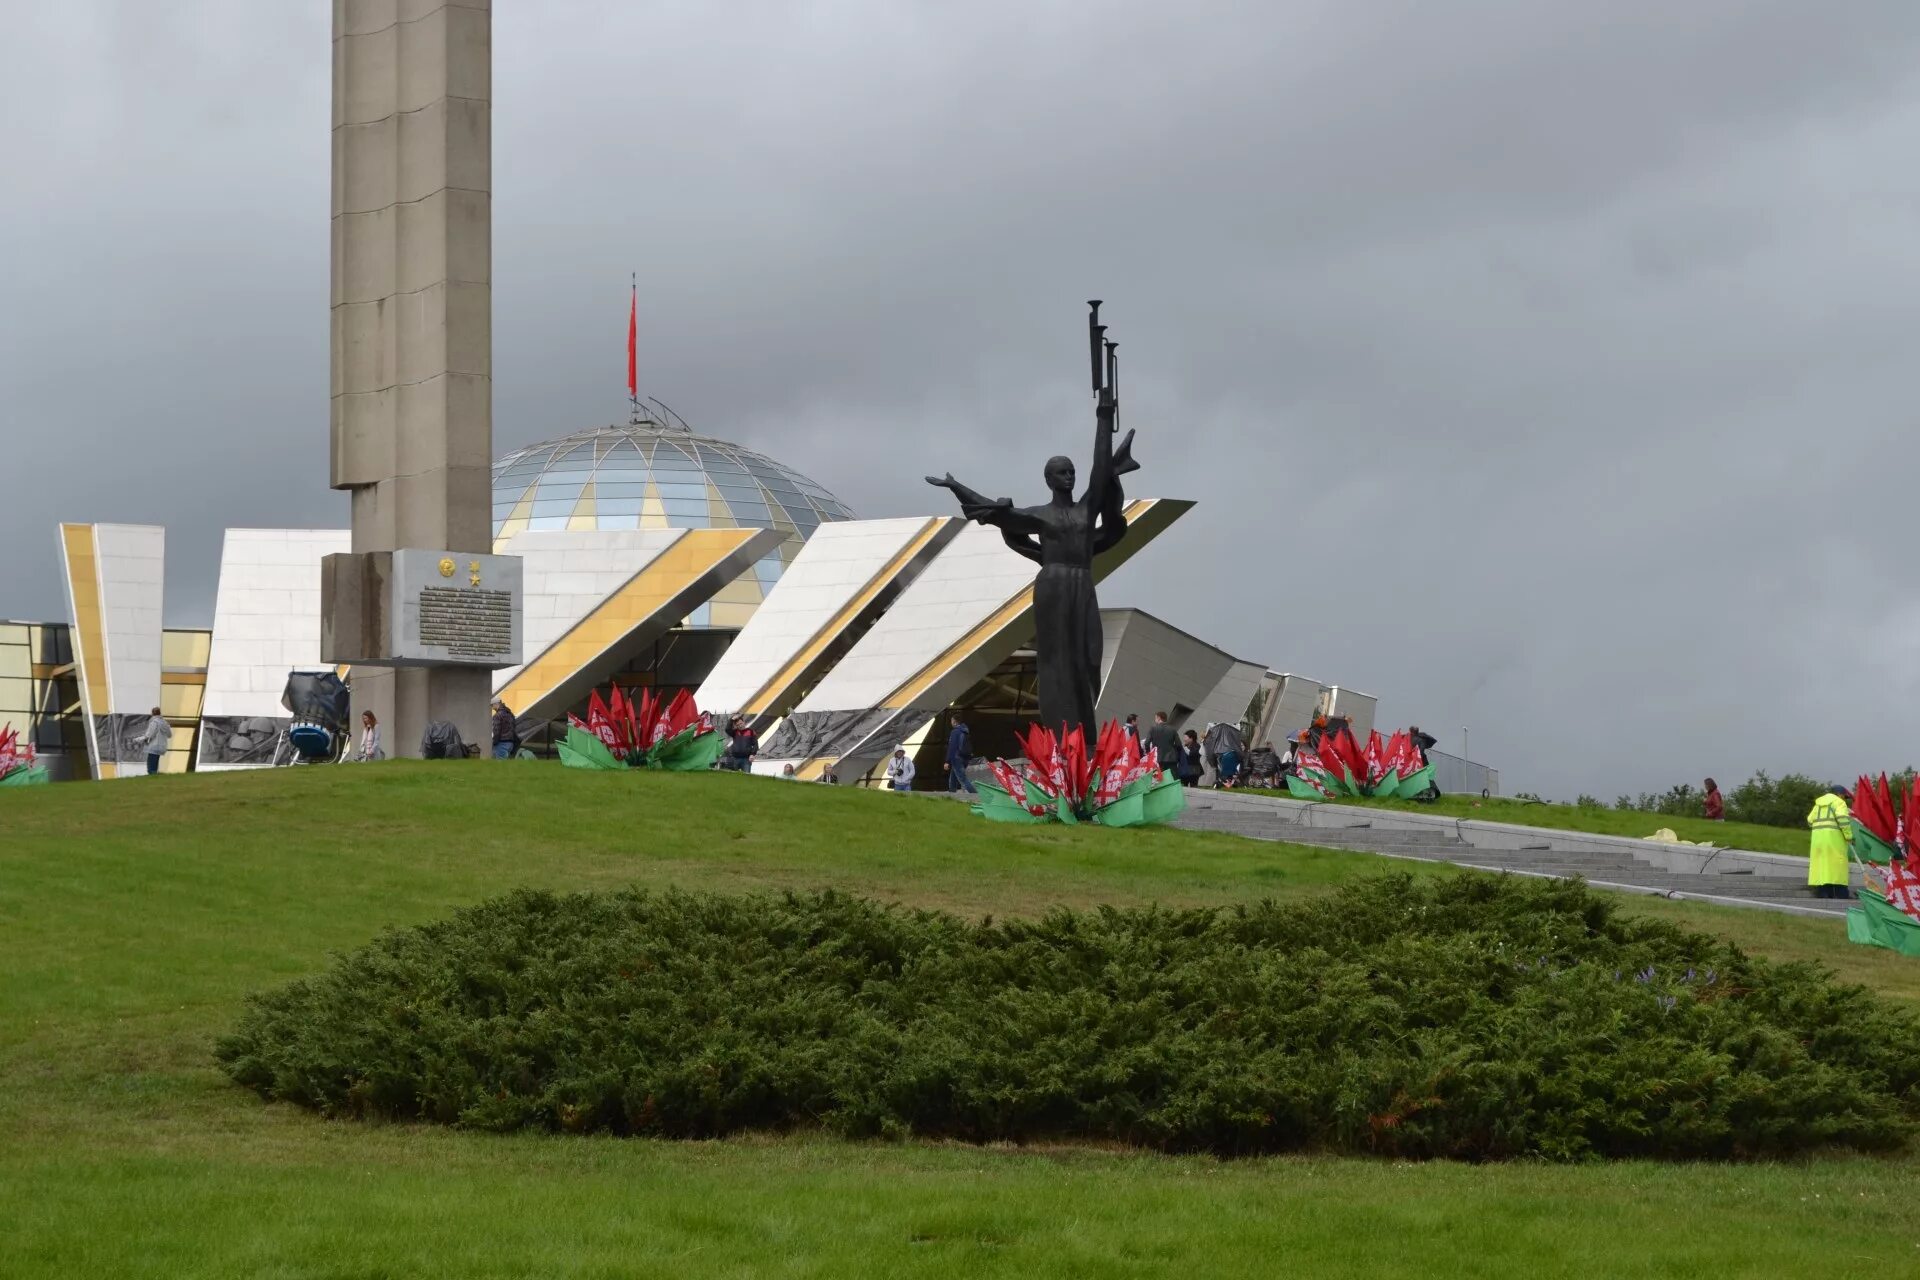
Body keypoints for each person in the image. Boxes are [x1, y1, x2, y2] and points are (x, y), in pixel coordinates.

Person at [1806, 786, 1852, 899]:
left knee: (1822, 867)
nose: (1844, 799)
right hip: (1834, 840)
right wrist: (1848, 835)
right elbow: (1842, 819)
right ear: (1840, 794)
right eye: (1844, 797)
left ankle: (1823, 893)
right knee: (1837, 866)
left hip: (1818, 841)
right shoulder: (1839, 803)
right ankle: (1841, 894)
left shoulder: (1818, 804)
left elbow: (1809, 820)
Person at [944, 712, 976, 794]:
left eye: (951, 721)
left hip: (957, 758)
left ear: (955, 722)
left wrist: (947, 761)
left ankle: (975, 796)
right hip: (965, 758)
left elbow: (952, 747)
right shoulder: (965, 731)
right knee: (953, 778)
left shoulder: (955, 732)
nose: (951, 723)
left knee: (963, 779)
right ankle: (951, 794)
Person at [139, 707, 172, 775]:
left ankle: (152, 775)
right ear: (160, 713)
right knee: (155, 762)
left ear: (152, 713)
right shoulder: (165, 723)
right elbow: (169, 735)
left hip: (153, 746)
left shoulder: (154, 722)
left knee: (151, 764)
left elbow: (149, 735)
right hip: (161, 746)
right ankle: (154, 775)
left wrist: (138, 739)